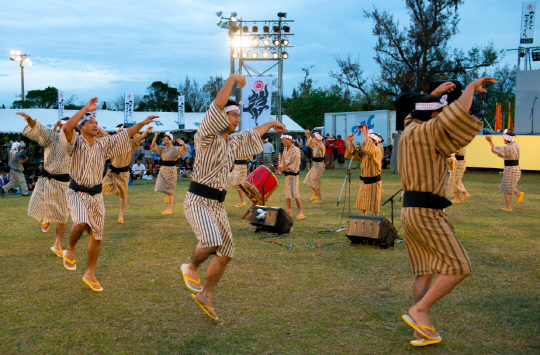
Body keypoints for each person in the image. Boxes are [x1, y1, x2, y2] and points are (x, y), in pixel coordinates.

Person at [397, 78, 498, 346]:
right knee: (459, 267)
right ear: (432, 113)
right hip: (427, 212)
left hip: (409, 210)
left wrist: (435, 94)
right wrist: (469, 89)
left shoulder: (409, 129)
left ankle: (422, 330)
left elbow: (415, 111)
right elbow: (458, 113)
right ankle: (419, 311)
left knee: (425, 271)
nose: (443, 111)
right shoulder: (428, 130)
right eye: (439, 108)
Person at [181, 74, 286, 321]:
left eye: (239, 115)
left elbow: (252, 134)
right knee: (210, 240)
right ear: (221, 117)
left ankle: (205, 294)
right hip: (197, 199)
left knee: (226, 251)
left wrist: (270, 124)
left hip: (217, 204)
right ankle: (191, 267)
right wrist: (230, 80)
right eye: (234, 115)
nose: (237, 119)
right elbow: (217, 105)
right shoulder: (206, 135)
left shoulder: (234, 141)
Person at [60, 97, 157, 292]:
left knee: (97, 236)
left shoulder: (103, 144)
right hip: (76, 192)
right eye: (92, 122)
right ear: (81, 126)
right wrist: (84, 109)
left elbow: (123, 136)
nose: (96, 126)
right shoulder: (73, 141)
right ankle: (69, 248)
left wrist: (142, 124)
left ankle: (90, 273)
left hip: (96, 196)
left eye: (97, 123)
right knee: (80, 222)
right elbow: (67, 128)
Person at [19, 114, 71, 254]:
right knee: (37, 204)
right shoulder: (53, 137)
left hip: (65, 182)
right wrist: (30, 120)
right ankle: (46, 218)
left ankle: (57, 244)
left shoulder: (76, 141)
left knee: (62, 216)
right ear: (60, 126)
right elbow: (39, 130)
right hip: (47, 180)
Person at [100, 124, 153, 223]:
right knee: (100, 189)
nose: (119, 134)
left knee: (123, 196)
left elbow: (140, 137)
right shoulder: (112, 140)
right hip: (112, 171)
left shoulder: (131, 143)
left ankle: (121, 214)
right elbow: (102, 132)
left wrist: (146, 131)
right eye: (118, 132)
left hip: (123, 173)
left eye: (122, 132)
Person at [345, 127, 383, 216]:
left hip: (374, 183)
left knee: (374, 207)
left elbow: (369, 149)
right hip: (365, 183)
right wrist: (350, 141)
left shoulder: (377, 151)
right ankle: (364, 220)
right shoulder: (365, 152)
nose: (366, 141)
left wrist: (364, 133)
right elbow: (352, 154)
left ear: (374, 141)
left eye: (369, 139)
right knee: (361, 205)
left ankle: (375, 223)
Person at [485, 130, 524, 211]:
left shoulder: (508, 148)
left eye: (504, 138)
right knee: (507, 185)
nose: (503, 139)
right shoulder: (516, 145)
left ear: (507, 139)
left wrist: (490, 141)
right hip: (516, 167)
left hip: (510, 169)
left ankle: (508, 207)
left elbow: (496, 150)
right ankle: (518, 193)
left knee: (507, 188)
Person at [151, 131, 188, 215]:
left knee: (170, 190)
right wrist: (155, 137)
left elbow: (185, 151)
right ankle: (167, 195)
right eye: (165, 140)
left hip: (171, 169)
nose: (166, 141)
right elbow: (152, 147)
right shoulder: (162, 148)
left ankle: (169, 209)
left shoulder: (175, 149)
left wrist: (183, 144)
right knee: (159, 185)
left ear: (171, 140)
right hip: (163, 169)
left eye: (167, 140)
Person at [280, 134, 305, 219]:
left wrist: (285, 168)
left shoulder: (296, 150)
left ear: (289, 140)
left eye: (284, 140)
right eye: (282, 140)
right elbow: (283, 160)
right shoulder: (284, 150)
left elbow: (296, 163)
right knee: (288, 193)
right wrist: (280, 168)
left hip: (294, 174)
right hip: (287, 174)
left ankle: (300, 211)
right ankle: (289, 210)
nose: (282, 142)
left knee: (295, 193)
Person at [303, 130, 325, 203]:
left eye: (314, 137)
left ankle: (319, 198)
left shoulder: (321, 144)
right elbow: (309, 140)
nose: (313, 139)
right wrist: (308, 133)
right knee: (307, 179)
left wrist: (317, 143)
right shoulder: (314, 144)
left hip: (320, 165)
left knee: (316, 181)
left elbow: (322, 149)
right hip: (314, 164)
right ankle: (315, 193)